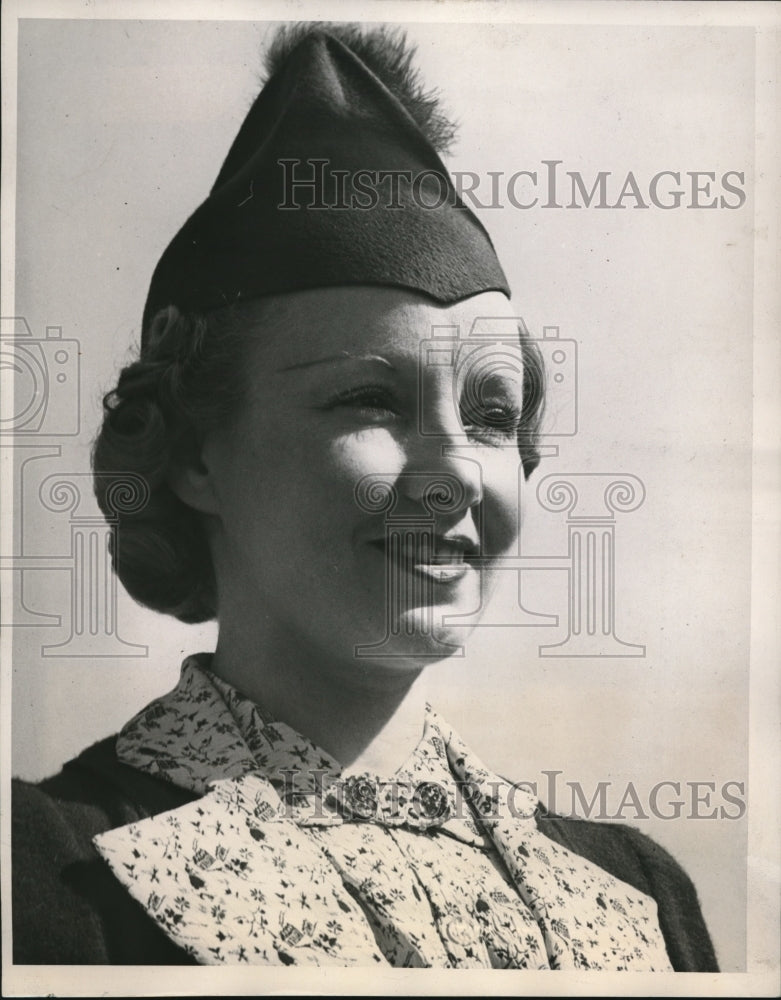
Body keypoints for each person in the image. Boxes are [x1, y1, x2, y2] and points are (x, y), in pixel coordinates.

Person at [12, 22, 718, 970]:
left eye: (492, 414)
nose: (457, 471)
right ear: (193, 457)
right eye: (369, 399)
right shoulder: (46, 872)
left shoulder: (638, 894)